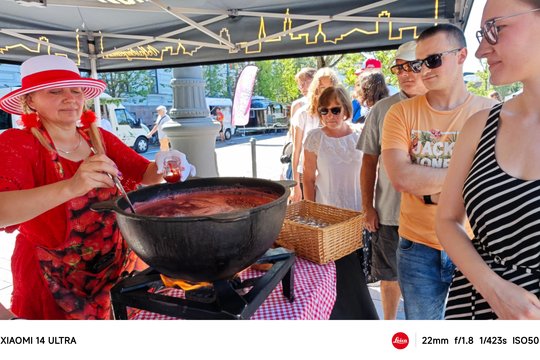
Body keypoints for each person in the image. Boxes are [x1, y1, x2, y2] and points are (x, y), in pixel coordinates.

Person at [0, 55, 193, 320]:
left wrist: (164, 163)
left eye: (76, 90)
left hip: (114, 269)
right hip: (54, 278)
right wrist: (71, 186)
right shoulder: (17, 143)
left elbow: (146, 174)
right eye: (55, 91)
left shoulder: (97, 137)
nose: (70, 98)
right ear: (31, 100)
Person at [381, 24, 497, 320]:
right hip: (417, 247)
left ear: (461, 56)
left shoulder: (492, 112)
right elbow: (402, 178)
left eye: (433, 60)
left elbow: (494, 185)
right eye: (420, 63)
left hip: (476, 245)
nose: (423, 71)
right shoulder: (400, 113)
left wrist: (428, 182)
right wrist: (467, 173)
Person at [437, 0, 540, 320]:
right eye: (483, 33)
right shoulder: (481, 125)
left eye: (497, 29)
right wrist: (494, 290)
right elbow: (446, 220)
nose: (481, 50)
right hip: (474, 309)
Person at [357, 41, 427, 320]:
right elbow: (368, 161)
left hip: (431, 216)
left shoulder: (445, 105)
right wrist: (367, 207)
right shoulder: (382, 110)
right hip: (389, 214)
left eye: (413, 66)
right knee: (389, 278)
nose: (406, 73)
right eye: (399, 67)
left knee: (426, 282)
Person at [302, 85, 378, 320]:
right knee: (334, 275)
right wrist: (310, 213)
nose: (329, 116)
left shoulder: (360, 133)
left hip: (358, 216)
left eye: (335, 110)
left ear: (346, 108)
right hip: (328, 220)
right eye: (323, 111)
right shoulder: (315, 137)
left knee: (356, 274)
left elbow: (371, 173)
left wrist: (370, 209)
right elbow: (307, 177)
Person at [290, 67, 340, 202]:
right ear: (316, 89)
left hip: (330, 176)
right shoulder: (303, 114)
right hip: (305, 175)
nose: (326, 92)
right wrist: (295, 187)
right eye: (322, 87)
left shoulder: (338, 113)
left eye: (330, 88)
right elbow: (296, 151)